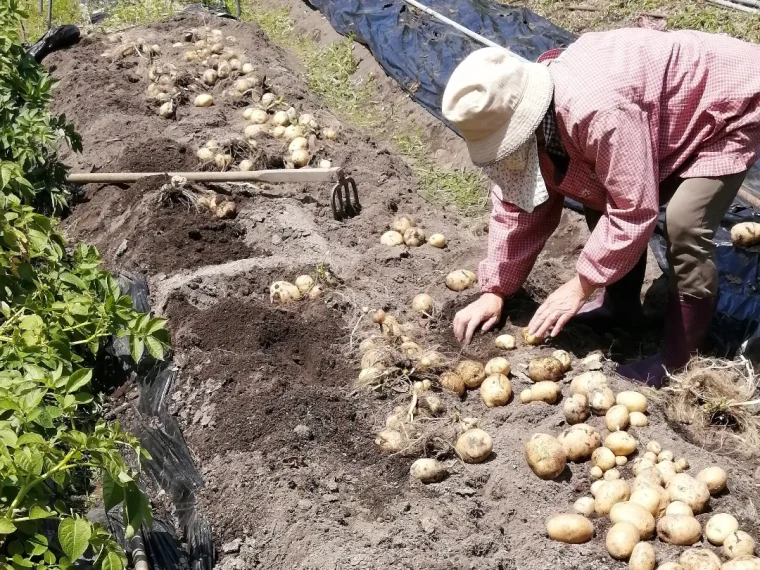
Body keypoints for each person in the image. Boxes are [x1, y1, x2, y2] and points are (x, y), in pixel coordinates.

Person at [442, 28, 760, 387]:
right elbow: (519, 200)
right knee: (595, 187)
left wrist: (580, 286)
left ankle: (678, 361)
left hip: (726, 103)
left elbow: (633, 210)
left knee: (685, 224)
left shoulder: (597, 111)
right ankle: (621, 308)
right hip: (660, 107)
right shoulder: (538, 125)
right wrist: (495, 289)